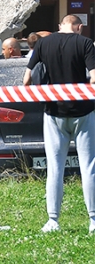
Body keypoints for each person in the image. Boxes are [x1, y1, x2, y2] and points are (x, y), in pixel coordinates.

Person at [24, 14, 95, 234]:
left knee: (55, 167)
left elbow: (27, 79)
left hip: (54, 112)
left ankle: (53, 220)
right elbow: (94, 77)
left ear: (59, 26)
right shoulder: (85, 43)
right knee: (89, 166)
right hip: (83, 111)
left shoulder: (43, 44)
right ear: (79, 27)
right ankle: (93, 220)